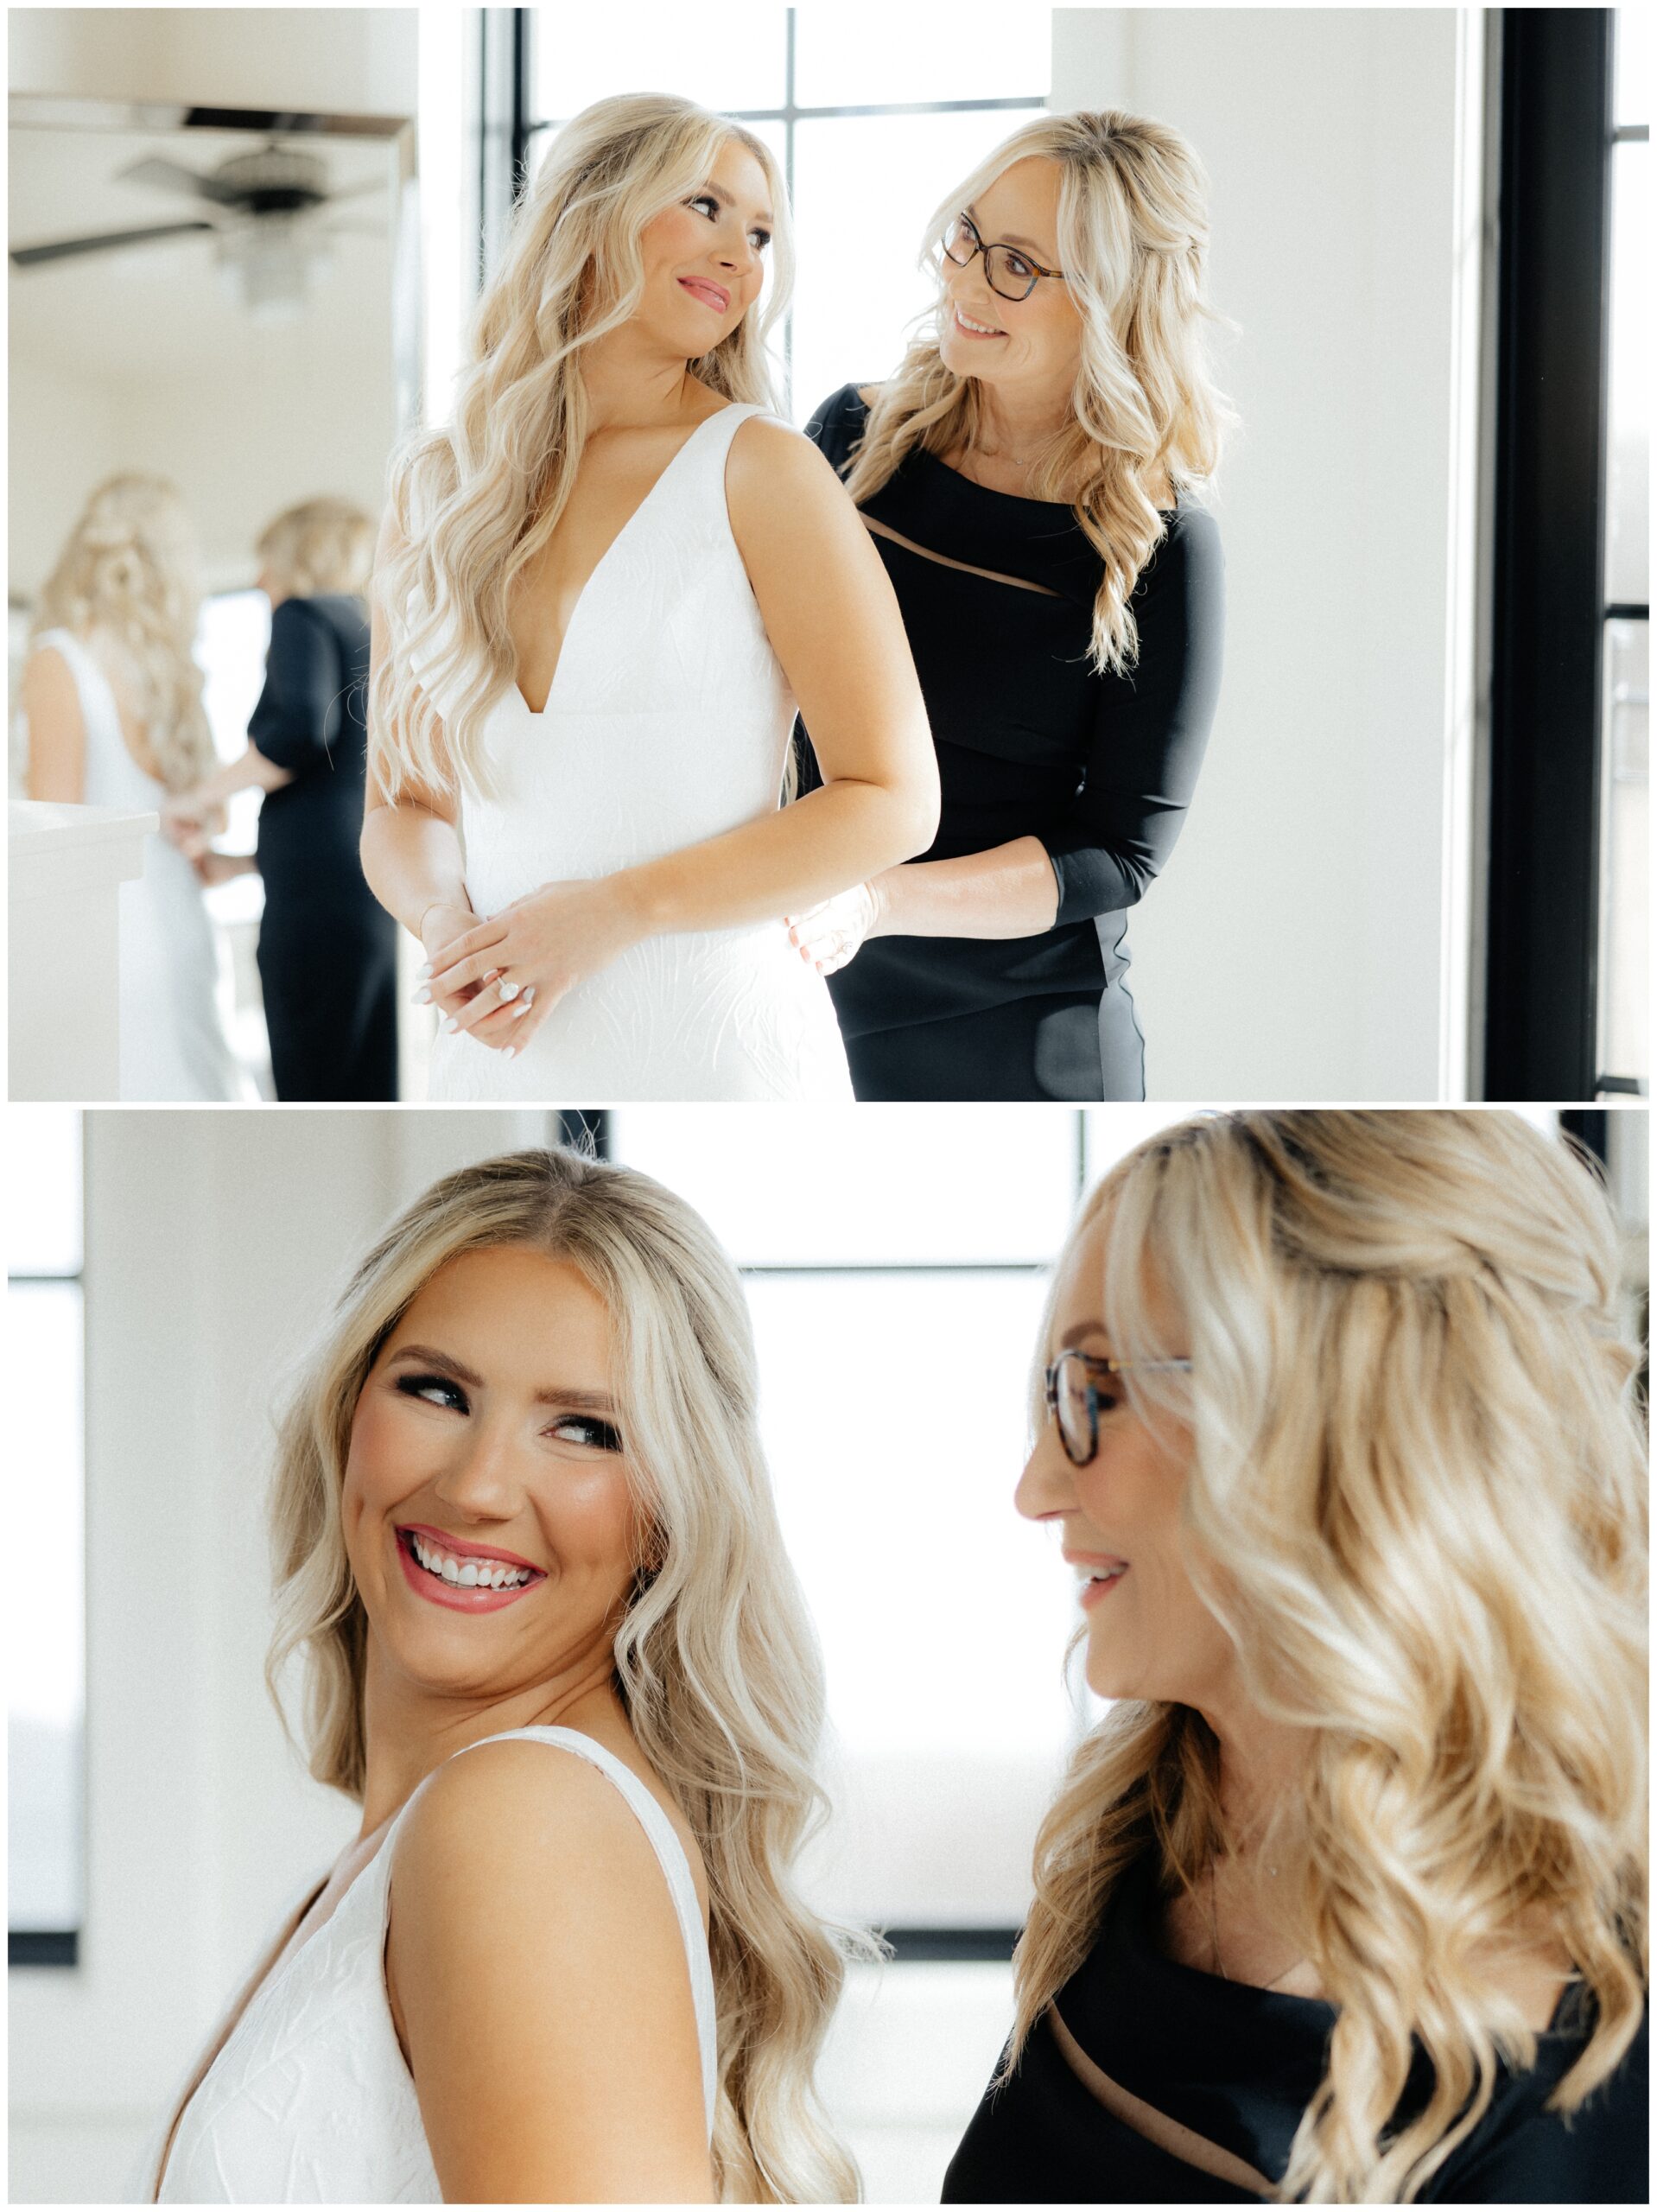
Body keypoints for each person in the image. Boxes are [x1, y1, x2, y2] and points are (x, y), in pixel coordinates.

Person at [947, 1110, 1647, 2200]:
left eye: (1098, 1393)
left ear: (1330, 1414)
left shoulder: (1604, 2020)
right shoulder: (1125, 1865)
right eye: (1052, 1397)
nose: (1034, 1487)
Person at [143, 1146, 860, 2202]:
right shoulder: (424, 1837)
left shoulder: (518, 1821)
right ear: (349, 1415)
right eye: (436, 1390)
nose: (477, 1486)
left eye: (583, 1429)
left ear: (668, 1513)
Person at [364, 93, 937, 1102]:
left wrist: (615, 910)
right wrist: (448, 927)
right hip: (496, 1063)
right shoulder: (438, 491)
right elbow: (404, 807)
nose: (742, 257)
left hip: (722, 1056)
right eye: (707, 207)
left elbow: (893, 799)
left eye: (759, 234)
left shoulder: (763, 469)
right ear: (592, 210)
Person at [790, 111, 1227, 1101]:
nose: (968, 281)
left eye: (1019, 267)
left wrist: (875, 900)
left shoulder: (1162, 547)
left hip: (1020, 1030)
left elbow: (1118, 853)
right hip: (799, 977)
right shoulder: (851, 436)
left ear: (1117, 304)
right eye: (967, 237)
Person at [163, 499, 398, 1101]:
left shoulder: (302, 613)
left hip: (316, 909)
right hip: (367, 891)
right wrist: (239, 864)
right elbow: (334, 785)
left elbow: (298, 731)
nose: (261, 580)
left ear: (298, 557)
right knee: (362, 1076)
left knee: (311, 1080)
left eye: (267, 562)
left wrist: (198, 796)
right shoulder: (369, 626)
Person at [20, 474, 238, 1100]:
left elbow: (54, 834)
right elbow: (201, 818)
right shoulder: (169, 674)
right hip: (181, 916)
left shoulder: (59, 659)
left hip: (109, 927)